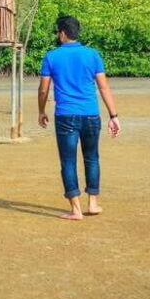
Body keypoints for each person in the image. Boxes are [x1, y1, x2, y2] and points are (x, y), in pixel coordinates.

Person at [38, 15, 121, 220]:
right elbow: (103, 87)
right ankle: (93, 203)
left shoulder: (51, 56)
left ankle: (75, 209)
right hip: (91, 114)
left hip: (65, 114)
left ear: (63, 33)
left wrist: (41, 111)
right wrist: (113, 115)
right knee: (92, 158)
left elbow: (43, 90)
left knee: (68, 161)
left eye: (58, 32)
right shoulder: (93, 54)